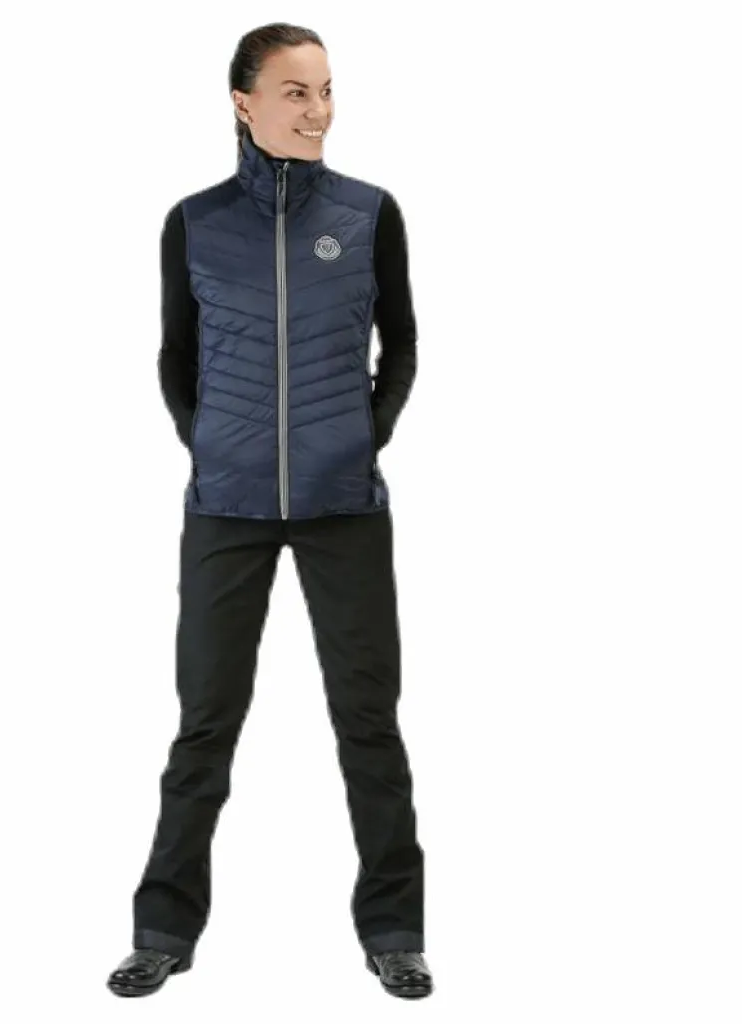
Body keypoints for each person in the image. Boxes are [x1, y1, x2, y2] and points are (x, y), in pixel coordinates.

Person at [107, 23, 432, 1000]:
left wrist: (363, 436)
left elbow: (402, 343)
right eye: (296, 92)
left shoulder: (369, 213)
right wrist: (207, 440)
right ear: (242, 102)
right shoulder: (194, 223)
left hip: (343, 505)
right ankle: (162, 929)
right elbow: (173, 354)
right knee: (204, 723)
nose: (318, 110)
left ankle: (396, 931)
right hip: (227, 504)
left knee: (368, 722)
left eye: (326, 89)